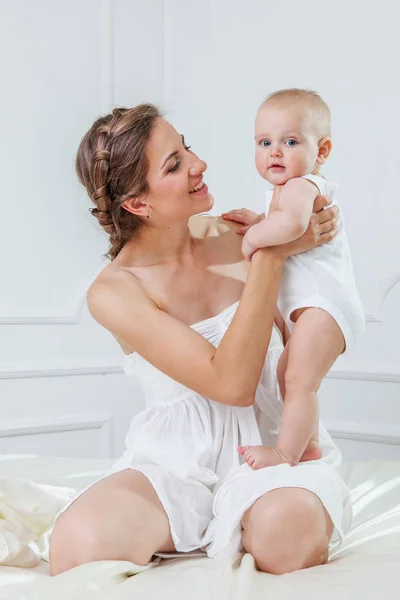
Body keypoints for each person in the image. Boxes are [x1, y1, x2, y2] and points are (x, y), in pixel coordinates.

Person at [49, 104, 351, 577]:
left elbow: (308, 324)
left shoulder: (237, 233)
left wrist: (284, 238)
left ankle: (255, 515)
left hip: (271, 448)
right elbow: (230, 383)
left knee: (285, 534)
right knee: (76, 545)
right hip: (177, 463)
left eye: (185, 146)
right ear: (138, 204)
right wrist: (273, 254)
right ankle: (200, 521)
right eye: (174, 163)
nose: (198, 163)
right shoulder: (115, 291)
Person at [223, 89, 365, 470]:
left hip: (325, 306)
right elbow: (284, 226)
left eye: (290, 142)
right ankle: (310, 443)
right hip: (317, 310)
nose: (275, 152)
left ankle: (286, 453)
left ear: (321, 151)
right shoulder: (287, 190)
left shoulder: (304, 186)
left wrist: (254, 237)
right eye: (264, 142)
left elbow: (292, 225)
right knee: (289, 375)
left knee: (300, 380)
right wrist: (260, 222)